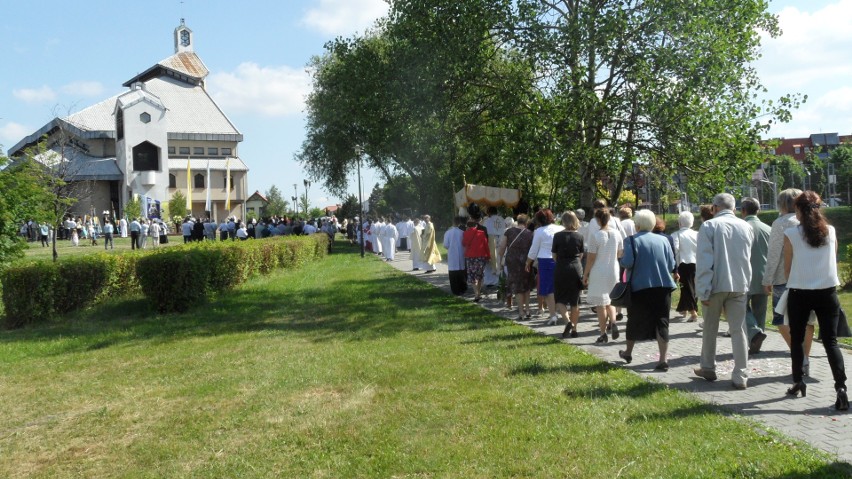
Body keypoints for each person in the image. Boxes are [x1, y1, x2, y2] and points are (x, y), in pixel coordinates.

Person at [782, 190, 847, 410]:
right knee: (830, 342)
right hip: (827, 292)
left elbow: (788, 269)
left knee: (798, 339)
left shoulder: (791, 234)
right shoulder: (830, 231)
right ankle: (841, 387)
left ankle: (798, 380)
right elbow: (833, 259)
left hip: (800, 292)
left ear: (798, 209)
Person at [694, 193, 753, 390]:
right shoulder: (746, 226)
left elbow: (704, 261)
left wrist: (703, 290)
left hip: (715, 285)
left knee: (710, 328)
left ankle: (708, 366)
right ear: (734, 208)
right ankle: (741, 374)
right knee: (739, 330)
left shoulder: (709, 226)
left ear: (715, 208)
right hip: (739, 284)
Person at [617, 210, 678, 370]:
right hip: (663, 286)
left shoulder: (630, 240)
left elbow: (627, 262)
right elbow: (671, 265)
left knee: (634, 320)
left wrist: (621, 258)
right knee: (662, 321)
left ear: (637, 225)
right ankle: (663, 359)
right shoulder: (663, 240)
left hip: (639, 287)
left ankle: (628, 352)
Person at [762, 188, 814, 373]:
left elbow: (774, 253)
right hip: (808, 278)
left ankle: (798, 355)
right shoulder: (810, 222)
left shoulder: (781, 223)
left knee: (780, 318)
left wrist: (767, 279)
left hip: (783, 278)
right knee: (807, 321)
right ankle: (805, 358)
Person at [583, 207, 624, 343]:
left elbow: (591, 258)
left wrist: (585, 274)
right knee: (610, 299)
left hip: (599, 270)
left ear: (598, 220)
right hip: (613, 269)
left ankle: (603, 333)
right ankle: (613, 322)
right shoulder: (617, 234)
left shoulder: (596, 235)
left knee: (600, 303)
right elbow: (620, 253)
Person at [740, 197, 771, 354]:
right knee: (760, 310)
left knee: (740, 308)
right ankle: (757, 341)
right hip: (764, 275)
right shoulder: (768, 229)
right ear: (758, 210)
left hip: (744, 275)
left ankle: (754, 333)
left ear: (743, 210)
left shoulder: (741, 227)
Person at [525, 209, 564, 325]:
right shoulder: (560, 228)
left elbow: (533, 250)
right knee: (558, 287)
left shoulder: (539, 231)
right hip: (560, 260)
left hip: (545, 261)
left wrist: (528, 262)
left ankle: (553, 315)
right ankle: (557, 311)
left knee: (548, 290)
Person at [552, 211, 584, 338]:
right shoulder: (580, 236)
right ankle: (575, 329)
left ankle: (567, 321)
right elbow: (581, 255)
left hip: (561, 268)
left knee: (559, 299)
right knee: (575, 301)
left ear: (563, 221)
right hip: (576, 268)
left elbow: (554, 255)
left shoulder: (557, 236)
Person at [498, 214, 535, 320]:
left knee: (518, 287)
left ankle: (521, 312)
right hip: (526, 262)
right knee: (526, 285)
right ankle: (527, 310)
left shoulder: (508, 232)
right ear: (527, 222)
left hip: (512, 261)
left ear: (518, 221)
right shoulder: (530, 234)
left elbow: (502, 248)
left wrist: (500, 261)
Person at [671, 211, 699, 322]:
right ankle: (684, 308)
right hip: (696, 263)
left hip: (683, 263)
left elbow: (675, 250)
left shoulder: (676, 235)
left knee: (686, 288)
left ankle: (693, 311)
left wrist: (675, 267)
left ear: (679, 223)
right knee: (693, 287)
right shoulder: (697, 234)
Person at [462, 215, 490, 302]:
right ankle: (479, 293)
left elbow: (463, 244)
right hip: (481, 257)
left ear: (467, 226)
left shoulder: (465, 233)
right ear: (476, 225)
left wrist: (467, 233)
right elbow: (486, 245)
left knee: (472, 276)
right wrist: (488, 256)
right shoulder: (481, 233)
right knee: (480, 275)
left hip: (470, 257)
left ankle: (476, 294)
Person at [443, 217, 467, 295]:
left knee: (453, 273)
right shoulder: (462, 232)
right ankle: (463, 288)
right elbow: (465, 243)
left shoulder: (448, 233)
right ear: (459, 223)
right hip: (461, 254)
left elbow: (445, 245)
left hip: (452, 254)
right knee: (461, 271)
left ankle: (455, 290)